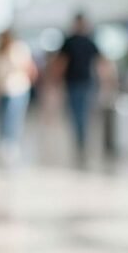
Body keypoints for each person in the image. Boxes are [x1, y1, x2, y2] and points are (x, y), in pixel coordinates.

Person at [49, 13, 105, 157]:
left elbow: (99, 63)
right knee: (79, 113)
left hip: (84, 82)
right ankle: (81, 139)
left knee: (80, 113)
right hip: (75, 82)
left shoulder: (86, 41)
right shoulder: (72, 42)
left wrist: (105, 81)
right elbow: (62, 63)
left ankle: (81, 140)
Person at [0, 29, 36, 163]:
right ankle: (3, 142)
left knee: (13, 117)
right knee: (2, 118)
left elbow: (29, 68)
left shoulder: (19, 49)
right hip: (2, 91)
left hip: (18, 90)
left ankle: (11, 143)